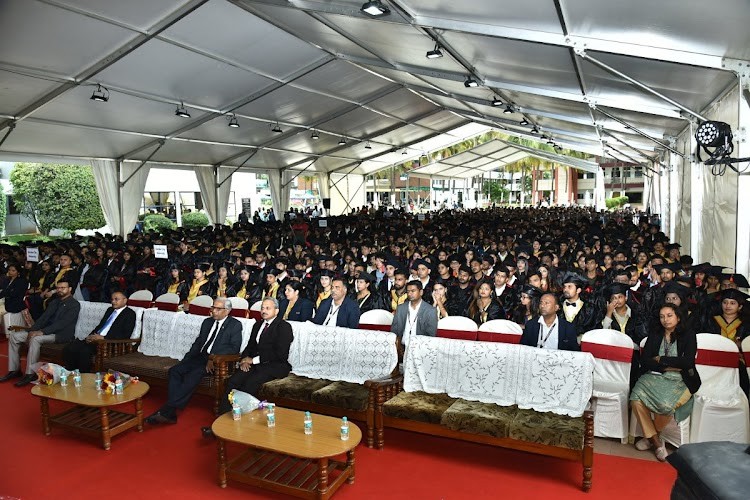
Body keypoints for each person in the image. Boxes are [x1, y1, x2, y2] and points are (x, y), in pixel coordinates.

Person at [146, 297, 243, 425]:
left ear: (227, 311)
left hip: (217, 362)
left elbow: (234, 348)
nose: (214, 311)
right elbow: (197, 344)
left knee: (193, 375)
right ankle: (170, 412)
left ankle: (167, 411)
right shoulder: (207, 322)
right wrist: (185, 360)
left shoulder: (235, 325)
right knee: (175, 371)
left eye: (218, 309)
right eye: (213, 307)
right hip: (200, 358)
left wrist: (213, 357)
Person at [207, 297, 294, 437]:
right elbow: (250, 346)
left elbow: (280, 354)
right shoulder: (258, 324)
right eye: (262, 308)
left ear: (276, 311)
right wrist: (244, 360)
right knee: (234, 381)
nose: (264, 311)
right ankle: (221, 421)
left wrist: (253, 360)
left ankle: (241, 425)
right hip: (255, 364)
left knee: (250, 383)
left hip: (275, 366)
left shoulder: (283, 327)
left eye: (268, 308)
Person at [630, 303, 700, 462]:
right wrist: (671, 365)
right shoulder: (656, 333)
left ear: (678, 317)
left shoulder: (688, 334)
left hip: (682, 379)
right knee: (635, 399)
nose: (665, 320)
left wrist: (661, 359)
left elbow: (687, 362)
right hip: (655, 376)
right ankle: (656, 442)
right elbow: (646, 361)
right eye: (662, 316)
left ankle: (649, 437)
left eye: (669, 315)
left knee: (666, 406)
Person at [1, 279, 81, 386]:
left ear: (70, 289)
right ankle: (14, 370)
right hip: (45, 332)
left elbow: (62, 324)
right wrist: (32, 330)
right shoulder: (54, 302)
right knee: (14, 336)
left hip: (60, 335)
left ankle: (30, 373)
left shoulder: (74, 304)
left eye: (63, 288)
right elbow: (43, 319)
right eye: (58, 288)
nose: (60, 290)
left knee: (36, 339)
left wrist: (42, 332)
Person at [62, 291, 136, 372]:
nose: (113, 302)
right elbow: (100, 326)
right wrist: (90, 336)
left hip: (109, 343)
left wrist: (104, 338)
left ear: (125, 300)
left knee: (85, 351)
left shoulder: (130, 314)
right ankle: (71, 372)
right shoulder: (110, 310)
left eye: (116, 299)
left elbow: (126, 334)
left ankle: (84, 376)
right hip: (97, 339)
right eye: (112, 299)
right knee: (70, 347)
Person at [391, 281, 437, 348]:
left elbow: (431, 335)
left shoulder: (430, 310)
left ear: (421, 292)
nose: (409, 293)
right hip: (402, 347)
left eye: (413, 291)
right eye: (408, 291)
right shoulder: (401, 308)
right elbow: (394, 330)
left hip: (420, 348)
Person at [0, 263, 30, 338]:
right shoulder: (6, 280)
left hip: (15, 303)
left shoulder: (22, 281)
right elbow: (4, 291)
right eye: (9, 270)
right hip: (6, 300)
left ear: (18, 272)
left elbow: (14, 293)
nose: (10, 272)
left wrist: (5, 293)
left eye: (13, 270)